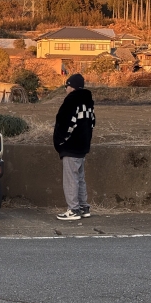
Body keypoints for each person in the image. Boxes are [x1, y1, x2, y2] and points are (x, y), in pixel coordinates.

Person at [53, 73, 95, 221]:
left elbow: (66, 125)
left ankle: (73, 210)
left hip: (71, 146)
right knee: (80, 178)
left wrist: (61, 142)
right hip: (83, 146)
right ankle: (84, 207)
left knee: (71, 178)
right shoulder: (88, 103)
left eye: (67, 85)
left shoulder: (71, 102)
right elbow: (92, 123)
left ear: (72, 87)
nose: (66, 88)